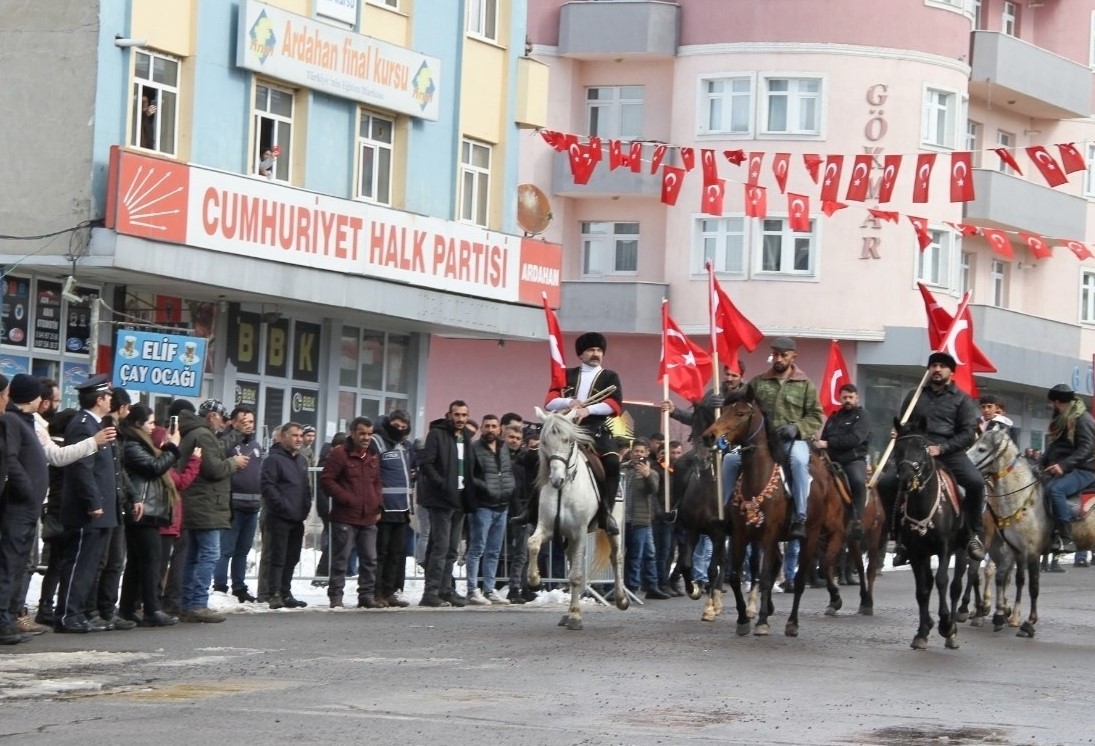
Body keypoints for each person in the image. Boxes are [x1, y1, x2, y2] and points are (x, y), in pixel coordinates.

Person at [878, 352, 985, 565]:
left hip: (949, 452)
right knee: (887, 482)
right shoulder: (915, 395)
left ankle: (973, 535)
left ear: (951, 372)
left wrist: (942, 448)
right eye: (933, 365)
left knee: (976, 483)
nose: (937, 369)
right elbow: (905, 423)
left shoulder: (962, 399)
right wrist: (899, 432)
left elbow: (967, 432)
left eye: (942, 366)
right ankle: (897, 536)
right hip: (916, 450)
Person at [720, 337, 824, 540]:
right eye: (775, 354)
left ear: (793, 357)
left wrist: (797, 428)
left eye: (783, 355)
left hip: (792, 441)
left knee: (799, 461)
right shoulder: (758, 382)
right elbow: (739, 401)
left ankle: (799, 516)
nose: (778, 358)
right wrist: (721, 398)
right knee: (730, 460)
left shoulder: (805, 385)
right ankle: (725, 512)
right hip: (760, 443)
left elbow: (815, 416)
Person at [55, 375, 122, 633]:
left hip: (102, 509)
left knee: (90, 565)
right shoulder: (83, 425)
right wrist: (93, 501)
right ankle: (67, 614)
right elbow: (83, 468)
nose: (111, 400)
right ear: (98, 399)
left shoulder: (98, 425)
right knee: (79, 563)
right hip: (87, 510)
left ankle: (77, 612)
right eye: (107, 396)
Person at [176, 398, 249, 623]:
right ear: (212, 417)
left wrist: (236, 433)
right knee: (208, 555)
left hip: (200, 503)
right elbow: (214, 468)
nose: (224, 423)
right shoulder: (202, 434)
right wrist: (234, 463)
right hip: (206, 503)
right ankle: (197, 603)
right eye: (223, 418)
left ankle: (189, 603)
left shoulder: (198, 432)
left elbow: (216, 451)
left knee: (195, 555)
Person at [544, 331, 624, 536]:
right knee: (535, 458)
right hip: (566, 429)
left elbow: (614, 404)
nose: (596, 354)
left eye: (599, 350)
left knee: (613, 463)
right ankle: (531, 510)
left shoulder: (610, 376)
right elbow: (549, 402)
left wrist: (587, 410)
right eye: (591, 350)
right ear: (581, 354)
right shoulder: (566, 375)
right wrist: (569, 402)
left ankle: (606, 513)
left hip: (595, 431)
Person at [117, 404, 182, 627]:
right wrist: (172, 449)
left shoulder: (141, 443)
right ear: (137, 423)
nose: (153, 427)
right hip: (142, 510)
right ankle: (151, 609)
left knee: (138, 562)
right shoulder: (132, 444)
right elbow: (154, 467)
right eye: (150, 422)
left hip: (148, 510)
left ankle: (127, 608)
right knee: (150, 561)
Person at [0, 374, 47, 644]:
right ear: (31, 397)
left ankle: (8, 617)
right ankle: (2, 621)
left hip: (29, 507)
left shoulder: (26, 421)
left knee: (18, 564)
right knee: (9, 563)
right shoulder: (12, 421)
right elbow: (11, 458)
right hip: (19, 506)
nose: (42, 399)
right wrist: (27, 490)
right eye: (39, 394)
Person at [418, 400, 476, 608]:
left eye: (464, 415)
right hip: (441, 499)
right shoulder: (437, 434)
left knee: (452, 549)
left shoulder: (466, 438)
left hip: (460, 499)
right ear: (449, 415)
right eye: (457, 414)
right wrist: (442, 484)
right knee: (439, 547)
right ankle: (431, 591)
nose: (460, 419)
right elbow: (426, 463)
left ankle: (445, 589)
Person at [320, 418, 383, 609]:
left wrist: (378, 505)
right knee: (341, 560)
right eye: (362, 433)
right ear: (353, 433)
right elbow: (327, 480)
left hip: (369, 517)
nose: (366, 438)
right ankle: (336, 597)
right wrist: (346, 498)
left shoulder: (373, 455)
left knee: (370, 559)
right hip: (345, 517)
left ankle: (366, 596)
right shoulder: (339, 454)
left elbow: (377, 482)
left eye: (369, 434)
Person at [214, 406, 263, 603]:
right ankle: (219, 586)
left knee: (243, 550)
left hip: (252, 507)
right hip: (232, 505)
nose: (248, 425)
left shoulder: (256, 446)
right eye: (244, 421)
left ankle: (239, 586)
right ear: (233, 423)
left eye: (251, 421)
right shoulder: (225, 444)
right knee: (226, 549)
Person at [261, 422, 313, 609]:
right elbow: (268, 487)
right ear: (283, 437)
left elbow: (306, 488)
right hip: (279, 517)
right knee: (278, 557)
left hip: (297, 518)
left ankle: (285, 592)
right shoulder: (273, 460)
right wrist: (282, 507)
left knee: (292, 557)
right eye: (294, 435)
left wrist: (305, 508)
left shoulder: (301, 460)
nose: (299, 439)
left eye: (301, 435)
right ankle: (273, 593)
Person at [1040, 384, 1095, 554]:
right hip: (1066, 467)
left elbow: (1087, 448)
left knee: (1055, 489)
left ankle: (1066, 536)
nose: (1051, 407)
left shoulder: (1082, 419)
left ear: (1057, 402)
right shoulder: (1063, 419)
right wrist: (1039, 464)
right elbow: (1056, 447)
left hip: (1085, 470)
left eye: (1052, 403)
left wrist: (1063, 466)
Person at [467, 414, 515, 605]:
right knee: (477, 548)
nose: (490, 429)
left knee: (494, 551)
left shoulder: (504, 448)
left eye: (493, 426)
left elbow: (508, 471)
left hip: (502, 506)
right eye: (487, 426)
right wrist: (486, 486)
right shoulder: (474, 449)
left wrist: (510, 487)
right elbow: (470, 476)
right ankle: (472, 589)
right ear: (481, 428)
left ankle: (489, 589)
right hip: (482, 506)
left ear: (499, 429)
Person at [370, 411, 415, 608]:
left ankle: (389, 592)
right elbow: (372, 475)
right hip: (384, 508)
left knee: (396, 553)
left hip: (402, 508)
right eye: (396, 425)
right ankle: (376, 592)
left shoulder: (404, 446)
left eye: (404, 426)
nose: (400, 429)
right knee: (380, 553)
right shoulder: (377, 442)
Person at [814, 383, 871, 539]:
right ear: (839, 398)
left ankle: (857, 519)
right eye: (844, 397)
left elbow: (854, 439)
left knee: (858, 481)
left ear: (857, 398)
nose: (847, 400)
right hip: (830, 460)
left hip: (853, 460)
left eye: (851, 397)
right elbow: (823, 438)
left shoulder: (862, 416)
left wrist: (829, 443)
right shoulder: (833, 418)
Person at [622, 439, 662, 599]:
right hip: (623, 520)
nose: (638, 454)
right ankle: (625, 585)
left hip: (640, 521)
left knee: (637, 556)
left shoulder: (651, 473)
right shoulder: (623, 469)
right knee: (625, 555)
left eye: (641, 451)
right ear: (631, 453)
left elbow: (653, 489)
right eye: (635, 451)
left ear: (646, 453)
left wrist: (647, 476)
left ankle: (633, 587)